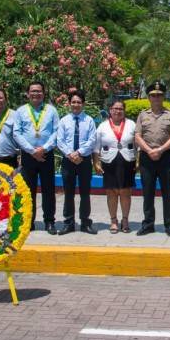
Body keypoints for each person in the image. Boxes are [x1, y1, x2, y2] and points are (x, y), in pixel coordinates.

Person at [135, 80, 170, 236]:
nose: (156, 98)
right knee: (147, 192)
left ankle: (169, 224)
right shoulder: (142, 115)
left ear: (163, 97)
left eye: (159, 95)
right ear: (149, 97)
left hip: (165, 156)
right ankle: (148, 224)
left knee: (168, 192)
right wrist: (149, 150)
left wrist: (160, 150)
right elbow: (138, 136)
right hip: (147, 158)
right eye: (153, 95)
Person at [13, 81, 59, 233]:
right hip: (28, 156)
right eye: (33, 91)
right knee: (28, 190)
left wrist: (43, 149)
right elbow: (17, 133)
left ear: (43, 93)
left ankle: (49, 221)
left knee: (48, 189)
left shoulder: (51, 110)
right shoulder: (20, 111)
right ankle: (28, 221)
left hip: (46, 155)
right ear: (28, 94)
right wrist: (32, 150)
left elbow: (56, 132)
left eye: (39, 91)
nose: (36, 94)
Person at [55, 89, 97, 235]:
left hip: (84, 160)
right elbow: (60, 140)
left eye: (79, 102)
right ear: (69, 103)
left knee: (85, 192)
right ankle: (69, 223)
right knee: (68, 193)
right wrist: (70, 154)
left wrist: (78, 153)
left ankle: (85, 222)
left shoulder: (89, 120)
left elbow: (92, 140)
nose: (76, 104)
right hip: (68, 160)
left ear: (83, 104)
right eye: (73, 102)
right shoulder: (64, 121)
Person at [93, 99, 136, 233]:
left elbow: (138, 145)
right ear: (110, 110)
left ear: (124, 111)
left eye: (120, 109)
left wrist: (139, 161)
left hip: (127, 160)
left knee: (125, 192)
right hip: (108, 161)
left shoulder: (131, 124)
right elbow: (96, 147)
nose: (118, 111)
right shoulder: (103, 126)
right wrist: (96, 162)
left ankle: (125, 220)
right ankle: (113, 220)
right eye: (115, 108)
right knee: (111, 192)